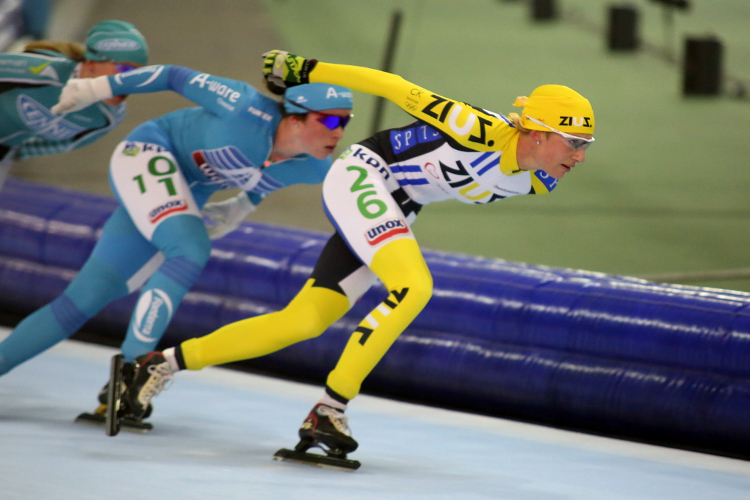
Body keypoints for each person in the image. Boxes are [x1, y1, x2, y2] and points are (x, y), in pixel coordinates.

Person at [95, 50, 594, 461]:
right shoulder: (479, 128)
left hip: (397, 205)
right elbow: (393, 85)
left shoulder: (541, 177)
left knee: (305, 320)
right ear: (536, 133)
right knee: (415, 287)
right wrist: (306, 71)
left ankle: (158, 365)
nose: (580, 155)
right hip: (366, 176)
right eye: (573, 142)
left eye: (585, 145)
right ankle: (330, 408)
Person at [0, 59, 354, 424]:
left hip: (189, 190)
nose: (339, 132)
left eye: (346, 122)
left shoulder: (314, 166)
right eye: (329, 121)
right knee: (190, 250)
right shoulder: (241, 104)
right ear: (294, 117)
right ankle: (134, 374)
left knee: (86, 297)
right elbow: (172, 75)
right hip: (152, 151)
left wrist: (240, 208)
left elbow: (266, 179)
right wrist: (97, 89)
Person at [0, 19, 149, 190]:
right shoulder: (43, 71)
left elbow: (70, 143)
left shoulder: (110, 114)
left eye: (139, 74)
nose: (132, 82)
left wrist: (16, 153)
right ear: (92, 63)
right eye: (125, 70)